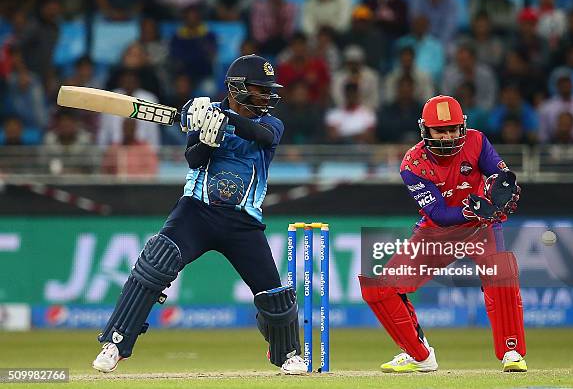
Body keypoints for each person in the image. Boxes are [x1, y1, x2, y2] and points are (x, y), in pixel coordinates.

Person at [91, 54, 308, 375]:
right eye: (260, 89)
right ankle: (115, 343)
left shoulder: (270, 123)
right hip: (196, 211)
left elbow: (263, 138)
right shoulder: (202, 112)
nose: (266, 96)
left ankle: (289, 352)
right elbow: (193, 159)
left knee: (274, 295)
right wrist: (206, 137)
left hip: (243, 221)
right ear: (237, 88)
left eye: (267, 90)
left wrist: (223, 121)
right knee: (154, 264)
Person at [358, 95, 526, 373]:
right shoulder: (412, 164)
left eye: (453, 129)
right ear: (425, 130)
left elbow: (501, 176)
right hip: (437, 233)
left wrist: (501, 186)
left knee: (501, 275)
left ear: (462, 126)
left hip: (482, 228)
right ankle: (420, 356)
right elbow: (439, 214)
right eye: (440, 130)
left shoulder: (477, 141)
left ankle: (512, 353)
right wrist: (474, 210)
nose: (448, 136)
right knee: (380, 288)